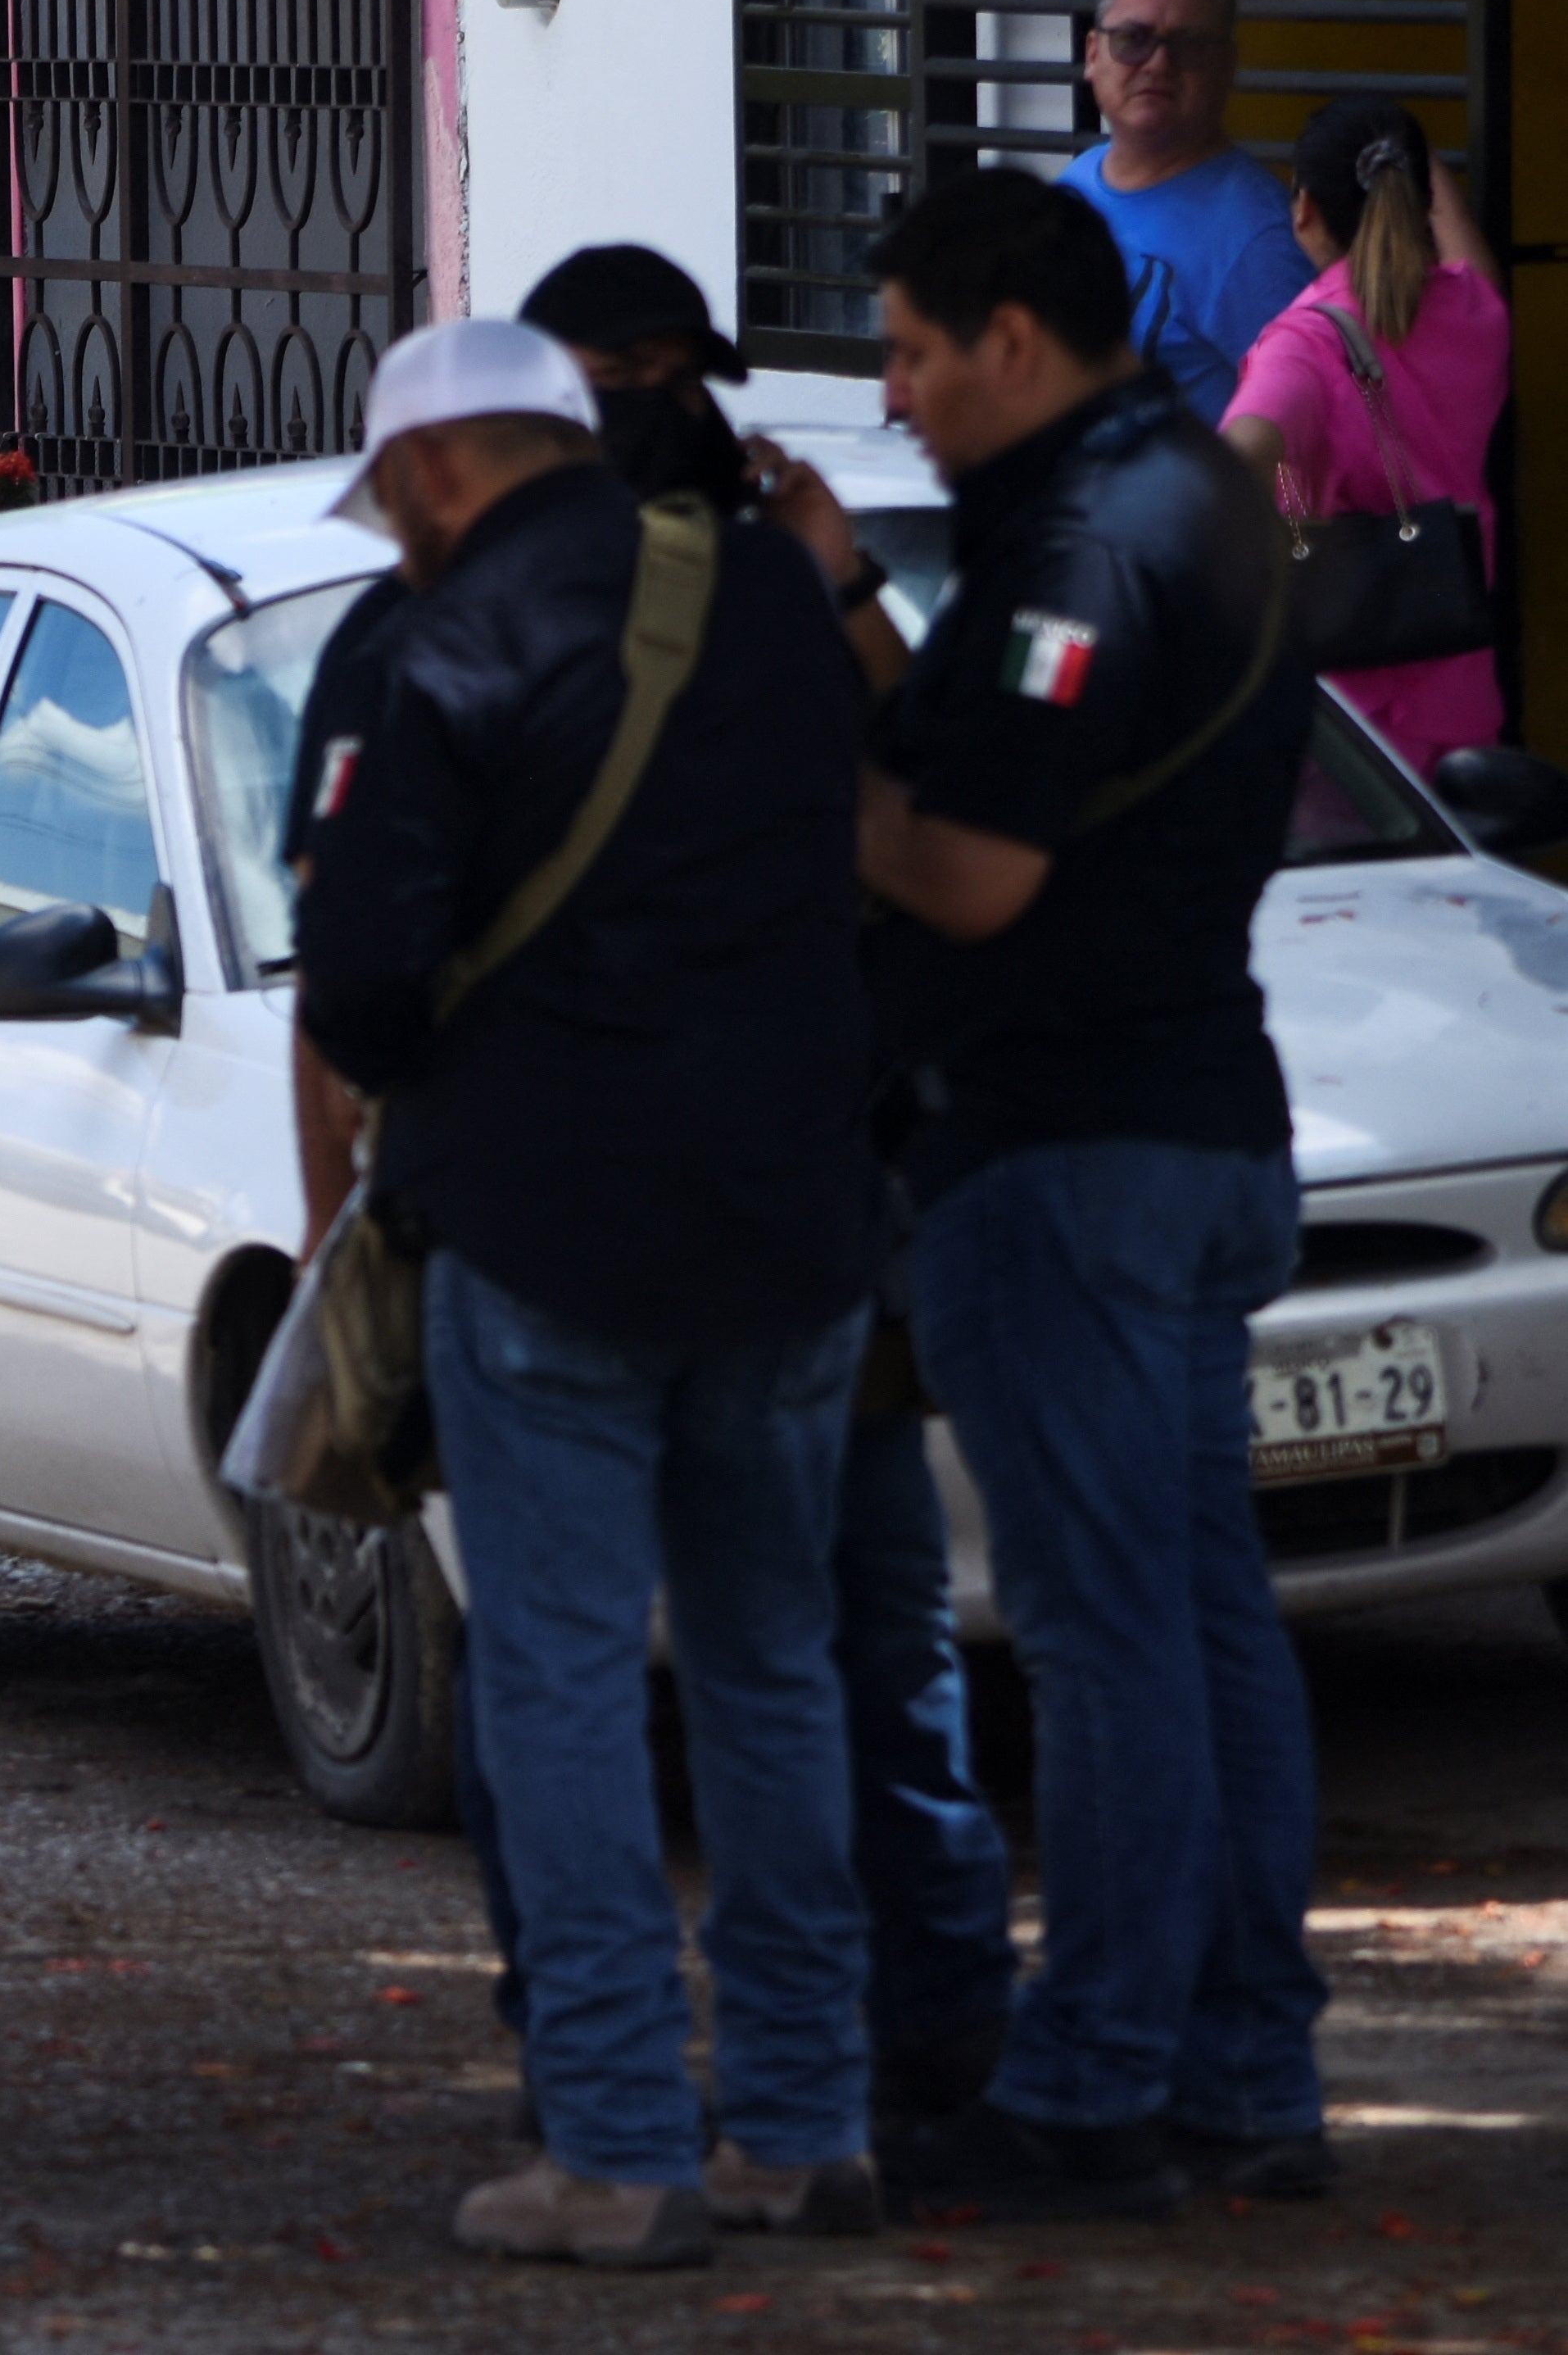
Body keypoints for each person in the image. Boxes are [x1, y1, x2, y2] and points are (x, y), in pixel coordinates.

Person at [292, 318, 881, 2269]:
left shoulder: (434, 649)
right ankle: (801, 2124)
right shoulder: (775, 607)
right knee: (772, 1671)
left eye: (389, 496)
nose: (390, 534)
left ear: (440, 470)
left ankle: (617, 2145)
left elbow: (359, 979)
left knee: (551, 1678)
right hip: (794, 1216)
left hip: (545, 1225)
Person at [857, 168, 1329, 2221]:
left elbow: (975, 867)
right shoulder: (1200, 496)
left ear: (1010, 344)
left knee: (1111, 1635)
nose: (889, 401)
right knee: (1207, 1625)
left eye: (904, 353)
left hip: (1066, 1156)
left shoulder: (1082, 545)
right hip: (1198, 1123)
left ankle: (1092, 2087)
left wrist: (806, 762)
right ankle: (1241, 2079)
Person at [512, 244, 1024, 2124]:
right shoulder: (531, 604)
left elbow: (921, 784)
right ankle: (708, 2067)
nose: (674, 410)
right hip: (741, 1203)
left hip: (788, 1201)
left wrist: (840, 587)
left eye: (681, 375)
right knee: (736, 1655)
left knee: (818, 1644)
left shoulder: (758, 603)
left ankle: (882, 2041)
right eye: (633, 374)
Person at [1222, 96, 1513, 772]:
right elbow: (1472, 256)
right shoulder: (1476, 312)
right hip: (1466, 715)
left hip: (1348, 739)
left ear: (1303, 211)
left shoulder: (1303, 346)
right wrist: (1407, 156)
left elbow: (1241, 461)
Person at [1058, 0, 1316, 424]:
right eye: (1133, 38)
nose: (1158, 63)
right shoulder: (1072, 186)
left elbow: (1303, 442)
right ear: (1093, 53)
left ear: (1227, 66)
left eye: (1189, 46)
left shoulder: (1260, 242)